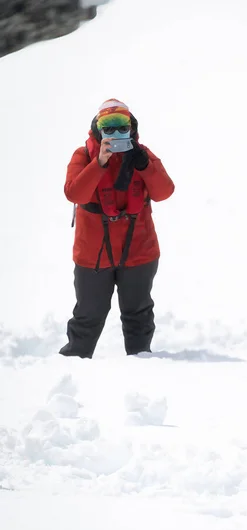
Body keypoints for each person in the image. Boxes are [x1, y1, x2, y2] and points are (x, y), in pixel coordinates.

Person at [59, 98, 175, 358]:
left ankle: (141, 364)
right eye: (107, 127)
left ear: (131, 128)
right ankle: (71, 370)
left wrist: (145, 165)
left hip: (139, 251)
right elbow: (74, 193)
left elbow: (165, 191)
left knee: (138, 315)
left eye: (121, 126)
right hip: (94, 255)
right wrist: (99, 163)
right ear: (97, 130)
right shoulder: (83, 155)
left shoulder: (142, 154)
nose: (114, 133)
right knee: (88, 316)